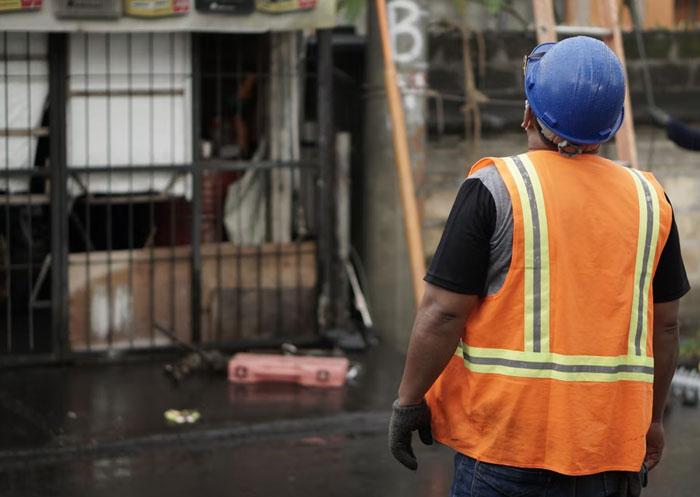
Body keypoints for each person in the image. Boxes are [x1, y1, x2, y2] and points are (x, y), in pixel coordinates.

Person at [388, 36, 690, 497]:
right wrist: (651, 421)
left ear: (529, 114)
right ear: (611, 127)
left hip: (504, 449)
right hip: (610, 452)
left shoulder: (495, 187)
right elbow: (665, 329)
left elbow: (442, 313)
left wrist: (408, 401)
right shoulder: (651, 200)